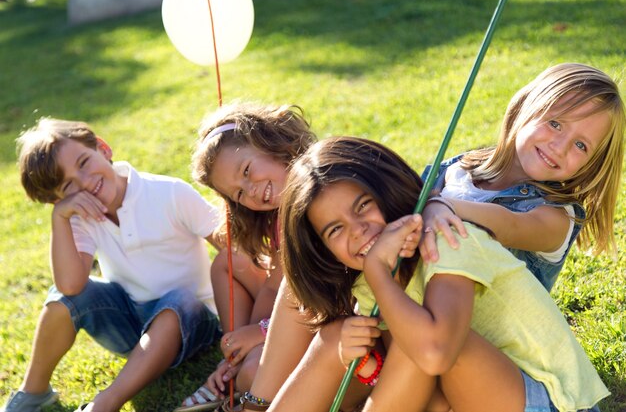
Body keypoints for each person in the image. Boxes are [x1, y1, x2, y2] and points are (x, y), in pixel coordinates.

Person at [263, 136, 607, 412]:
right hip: (470, 395)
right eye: (335, 229)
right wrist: (363, 362)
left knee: (424, 340)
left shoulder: (444, 238)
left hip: (547, 400)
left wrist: (378, 272)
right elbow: (413, 387)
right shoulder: (370, 279)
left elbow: (434, 354)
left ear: (388, 189)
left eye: (364, 206)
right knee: (348, 337)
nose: (358, 231)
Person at [3, 118, 222, 412]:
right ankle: (35, 390)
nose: (84, 182)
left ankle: (106, 402)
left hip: (195, 322)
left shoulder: (169, 193)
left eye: (83, 162)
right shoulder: (80, 218)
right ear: (57, 199)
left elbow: (233, 248)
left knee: (177, 301)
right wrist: (61, 219)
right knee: (63, 298)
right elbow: (70, 286)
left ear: (103, 149)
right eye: (68, 186)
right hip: (133, 324)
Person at [419, 63, 625, 291]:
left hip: (478, 322)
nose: (560, 147)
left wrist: (441, 206)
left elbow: (510, 225)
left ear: (591, 164)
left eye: (580, 145)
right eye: (555, 123)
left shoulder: (555, 218)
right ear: (525, 107)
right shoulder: (455, 170)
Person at [176, 102, 316, 411]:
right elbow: (273, 288)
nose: (251, 191)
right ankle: (234, 367)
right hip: (291, 313)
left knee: (254, 372)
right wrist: (244, 342)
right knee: (229, 261)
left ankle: (242, 380)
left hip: (327, 321)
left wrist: (261, 333)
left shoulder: (319, 197)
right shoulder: (279, 214)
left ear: (273, 142)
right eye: (239, 193)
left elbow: (316, 299)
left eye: (247, 171)